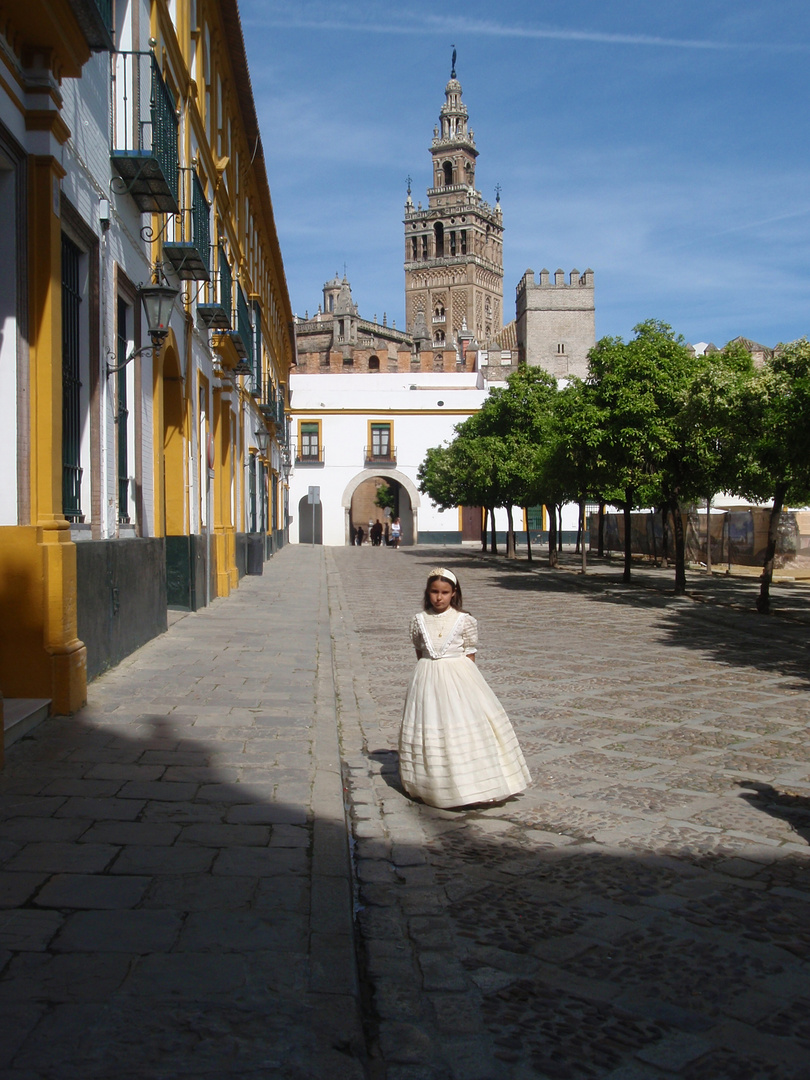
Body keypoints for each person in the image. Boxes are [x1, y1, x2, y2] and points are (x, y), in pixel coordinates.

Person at [398, 568, 531, 809]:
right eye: (434, 592)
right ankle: (434, 783)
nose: (439, 597)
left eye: (445, 592)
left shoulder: (464, 620)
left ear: (454, 593)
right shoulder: (419, 620)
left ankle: (471, 783)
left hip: (460, 677)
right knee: (431, 726)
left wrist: (466, 686)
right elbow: (419, 650)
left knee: (460, 725)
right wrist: (429, 672)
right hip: (427, 676)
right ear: (427, 593)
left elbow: (470, 653)